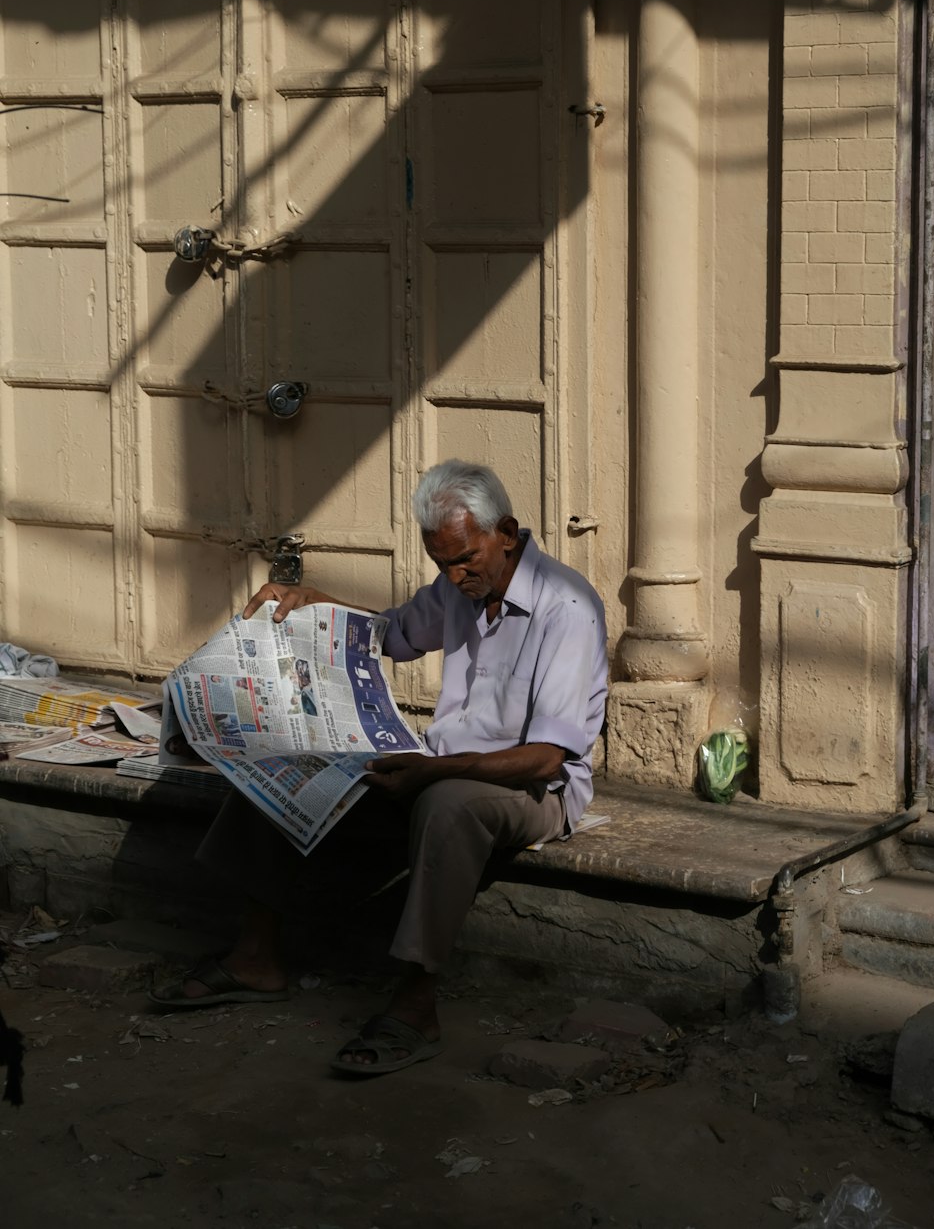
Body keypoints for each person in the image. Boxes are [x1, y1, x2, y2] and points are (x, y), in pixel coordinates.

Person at [152, 459, 608, 1075]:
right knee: (286, 767)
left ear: (506, 531)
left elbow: (547, 755)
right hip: (442, 764)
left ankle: (416, 1004)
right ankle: (255, 957)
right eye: (442, 563)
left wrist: (435, 773)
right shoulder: (460, 585)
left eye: (466, 557)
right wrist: (312, 606)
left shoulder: (567, 607)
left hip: (531, 787)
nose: (455, 574)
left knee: (447, 805)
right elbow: (390, 636)